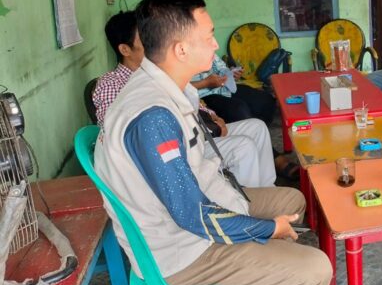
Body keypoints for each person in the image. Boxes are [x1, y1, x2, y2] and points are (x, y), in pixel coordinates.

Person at [95, 0, 331, 285]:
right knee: (317, 269)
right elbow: (193, 215)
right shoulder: (152, 116)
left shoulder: (163, 87)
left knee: (293, 199)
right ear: (180, 50)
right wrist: (268, 229)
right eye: (208, 36)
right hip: (183, 249)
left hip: (204, 206)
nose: (216, 44)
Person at [94, 11, 283, 188]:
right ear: (125, 49)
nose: (154, 44)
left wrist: (212, 116)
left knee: (257, 127)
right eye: (145, 39)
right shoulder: (111, 84)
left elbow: (190, 98)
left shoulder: (159, 73)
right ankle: (250, 205)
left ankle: (267, 189)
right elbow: (115, 134)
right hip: (175, 151)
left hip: (198, 133)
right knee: (242, 147)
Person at [192, 53, 277, 125]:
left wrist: (231, 73)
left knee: (266, 99)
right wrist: (206, 83)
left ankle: (261, 134)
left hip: (225, 87)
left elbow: (221, 68)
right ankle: (245, 138)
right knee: (239, 110)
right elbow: (183, 87)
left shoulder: (206, 48)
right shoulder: (184, 57)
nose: (215, 44)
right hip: (203, 95)